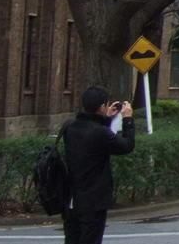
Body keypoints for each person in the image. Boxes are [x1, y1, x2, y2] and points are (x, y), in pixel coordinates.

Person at [62, 86, 135, 244]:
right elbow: (126, 146)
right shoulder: (100, 133)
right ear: (102, 107)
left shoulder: (70, 127)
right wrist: (128, 119)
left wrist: (106, 119)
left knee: (72, 239)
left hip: (71, 197)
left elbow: (93, 138)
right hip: (93, 200)